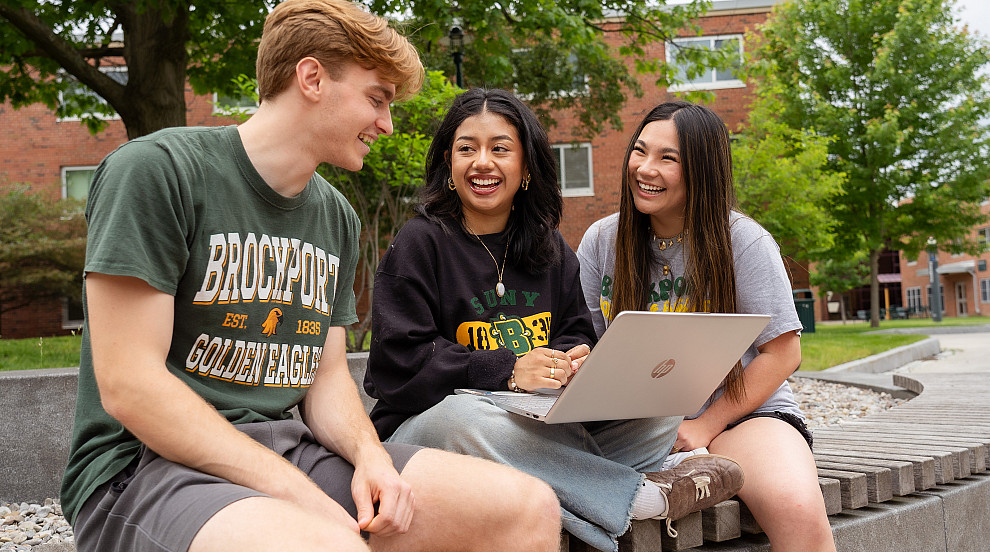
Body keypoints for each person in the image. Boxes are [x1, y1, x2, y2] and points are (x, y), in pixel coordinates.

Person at [59, 2, 564, 551]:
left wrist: (370, 455)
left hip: (291, 450)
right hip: (147, 470)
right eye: (377, 99)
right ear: (312, 77)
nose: (387, 124)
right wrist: (297, 493)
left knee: (527, 509)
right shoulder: (158, 171)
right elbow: (131, 387)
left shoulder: (335, 217)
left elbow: (325, 381)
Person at [364, 88, 744, 552]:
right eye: (467, 148)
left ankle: (560, 484)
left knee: (659, 407)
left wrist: (574, 360)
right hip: (428, 429)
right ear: (448, 164)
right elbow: (397, 363)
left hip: (534, 425)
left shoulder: (546, 245)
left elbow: (574, 329)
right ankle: (633, 495)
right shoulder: (420, 243)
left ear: (525, 168)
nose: (482, 162)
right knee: (465, 418)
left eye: (500, 149)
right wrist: (507, 370)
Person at [577, 100, 837, 551]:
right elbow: (586, 341)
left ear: (703, 169)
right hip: (635, 424)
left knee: (797, 509)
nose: (645, 169)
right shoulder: (602, 240)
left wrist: (705, 426)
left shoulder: (744, 240)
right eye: (639, 152)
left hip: (743, 416)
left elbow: (783, 353)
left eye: (668, 158)